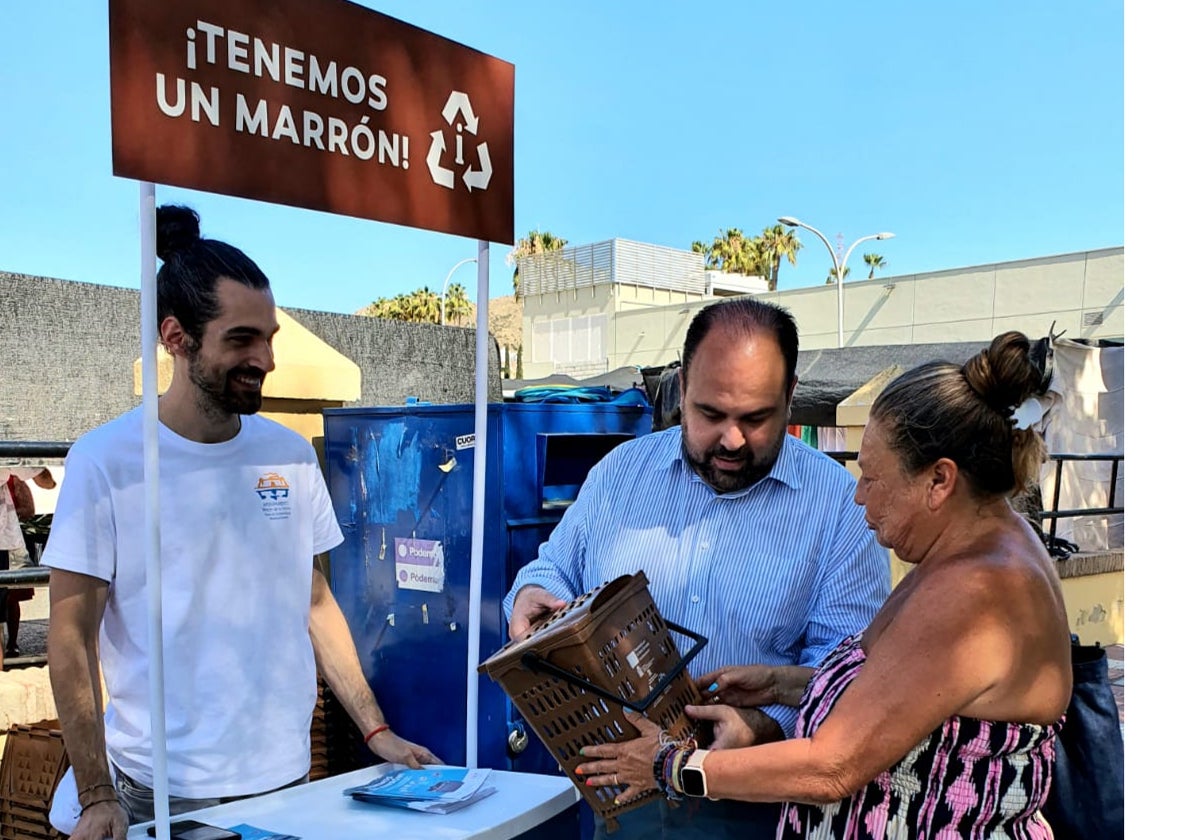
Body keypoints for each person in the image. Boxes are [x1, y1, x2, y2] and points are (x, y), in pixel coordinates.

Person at [575, 330, 1073, 838]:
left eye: (874, 480)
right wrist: (782, 683)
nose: (859, 497)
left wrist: (670, 767)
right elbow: (899, 695)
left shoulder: (976, 594)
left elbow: (831, 767)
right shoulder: (968, 555)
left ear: (939, 482)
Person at [43, 205, 441, 840]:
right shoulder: (107, 461)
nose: (266, 359)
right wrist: (96, 793)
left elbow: (314, 603)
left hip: (284, 784)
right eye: (241, 340)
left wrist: (377, 730)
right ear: (176, 337)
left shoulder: (286, 454)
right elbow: (69, 637)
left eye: (270, 337)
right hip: (154, 795)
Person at [504, 298, 892, 838]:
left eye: (756, 418)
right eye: (711, 414)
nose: (732, 440)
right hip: (621, 799)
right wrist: (531, 592)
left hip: (755, 805)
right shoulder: (619, 476)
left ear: (791, 396)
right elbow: (553, 570)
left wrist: (758, 727)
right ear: (682, 388)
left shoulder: (840, 511)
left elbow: (845, 680)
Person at [2, 469, 54, 658]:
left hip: (8, 542)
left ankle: (12, 642)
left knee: (10, 598)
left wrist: (10, 514)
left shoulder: (14, 480)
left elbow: (28, 508)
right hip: (7, 540)